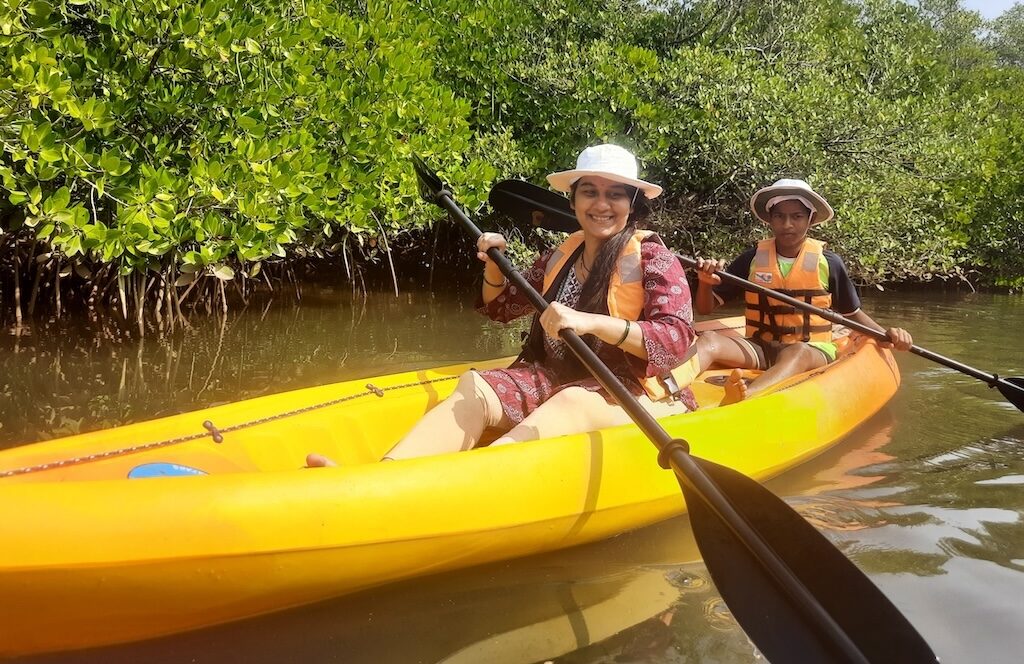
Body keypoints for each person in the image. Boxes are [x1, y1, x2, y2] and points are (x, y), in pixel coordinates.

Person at [307, 144, 699, 467]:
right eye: (590, 192)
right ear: (574, 200)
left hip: (633, 392)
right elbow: (500, 310)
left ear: (632, 203)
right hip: (554, 377)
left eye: (615, 193)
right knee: (475, 385)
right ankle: (383, 475)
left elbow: (676, 339)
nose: (601, 203)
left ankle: (468, 482)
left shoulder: (655, 260)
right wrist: (496, 266)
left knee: (572, 402)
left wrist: (591, 322)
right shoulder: (558, 258)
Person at [691, 178, 913, 406]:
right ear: (770, 220)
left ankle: (746, 398)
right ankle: (664, 386)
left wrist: (887, 335)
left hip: (811, 349)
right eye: (779, 216)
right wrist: (706, 283)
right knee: (709, 340)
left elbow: (852, 314)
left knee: (796, 352)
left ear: (811, 219)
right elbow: (705, 308)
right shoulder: (751, 259)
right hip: (761, 347)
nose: (787, 224)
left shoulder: (829, 263)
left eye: (796, 216)